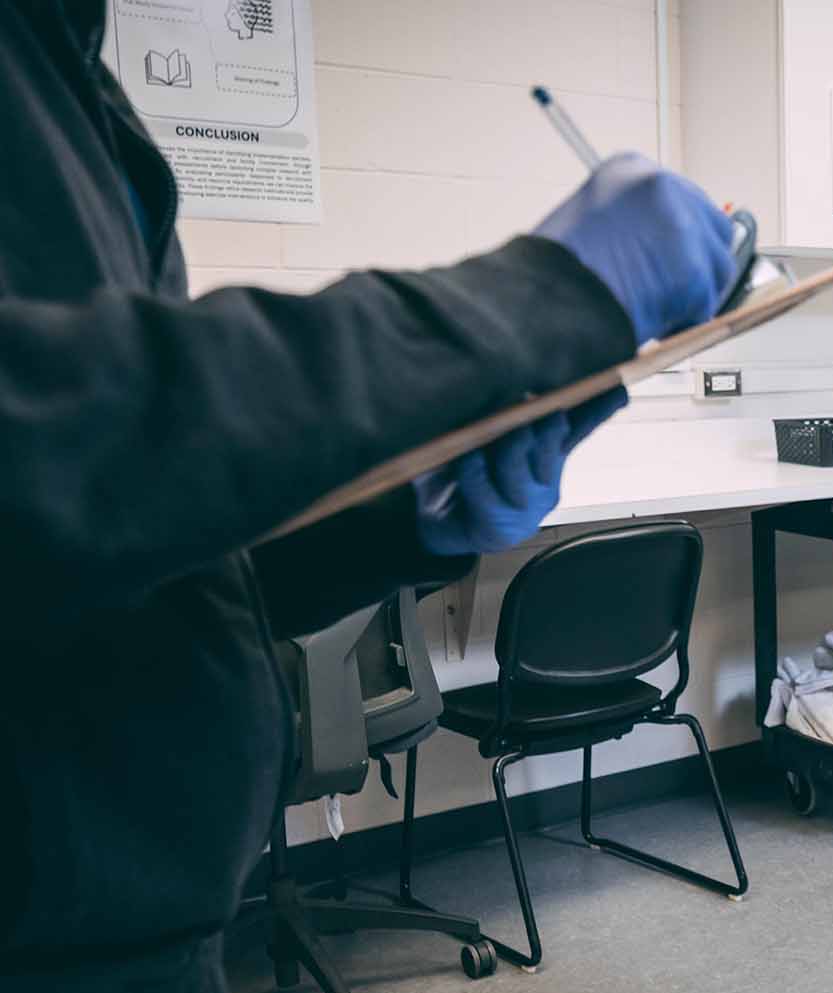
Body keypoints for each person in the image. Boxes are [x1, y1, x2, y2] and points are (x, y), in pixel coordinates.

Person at [0, 4, 735, 991]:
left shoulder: (71, 76)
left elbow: (133, 513)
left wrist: (401, 520)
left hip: (135, 913)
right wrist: (533, 299)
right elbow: (49, 439)